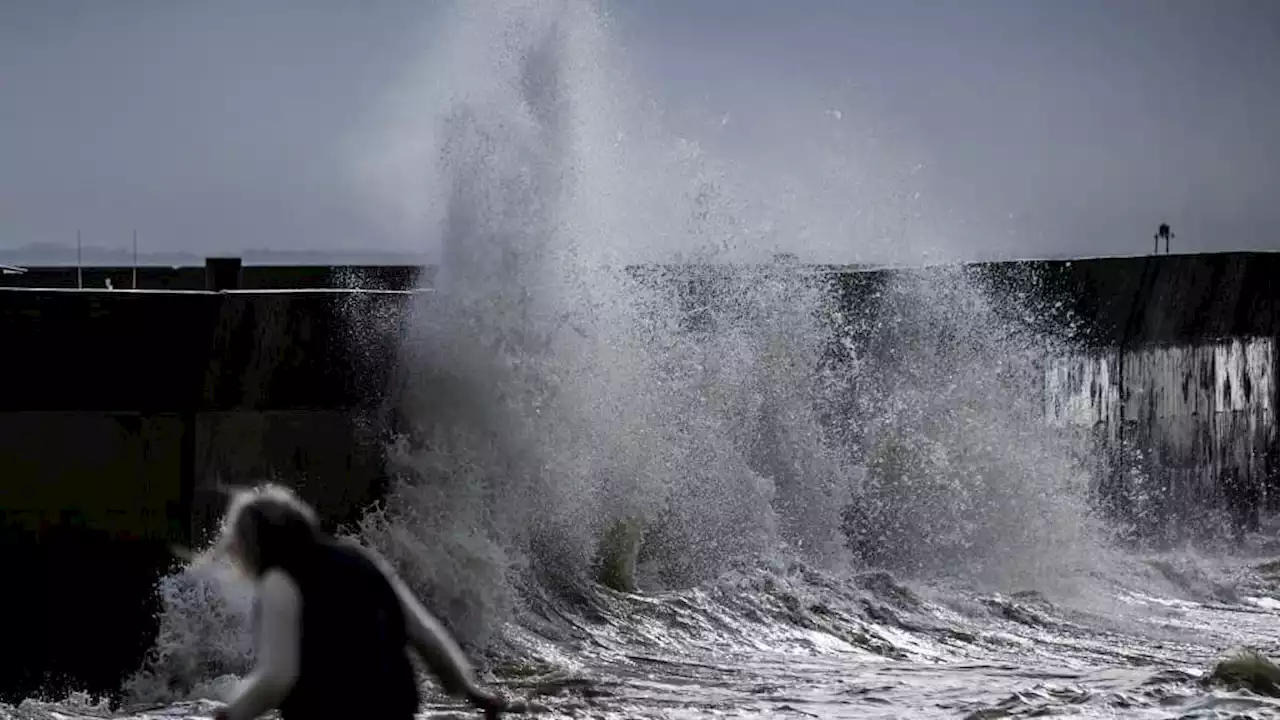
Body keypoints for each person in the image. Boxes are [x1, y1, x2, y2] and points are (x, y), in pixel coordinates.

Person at [201, 483, 507, 720]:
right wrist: (472, 693)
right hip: (395, 709)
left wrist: (230, 715)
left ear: (256, 543)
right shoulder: (360, 559)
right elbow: (425, 636)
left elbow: (278, 677)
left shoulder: (279, 581)